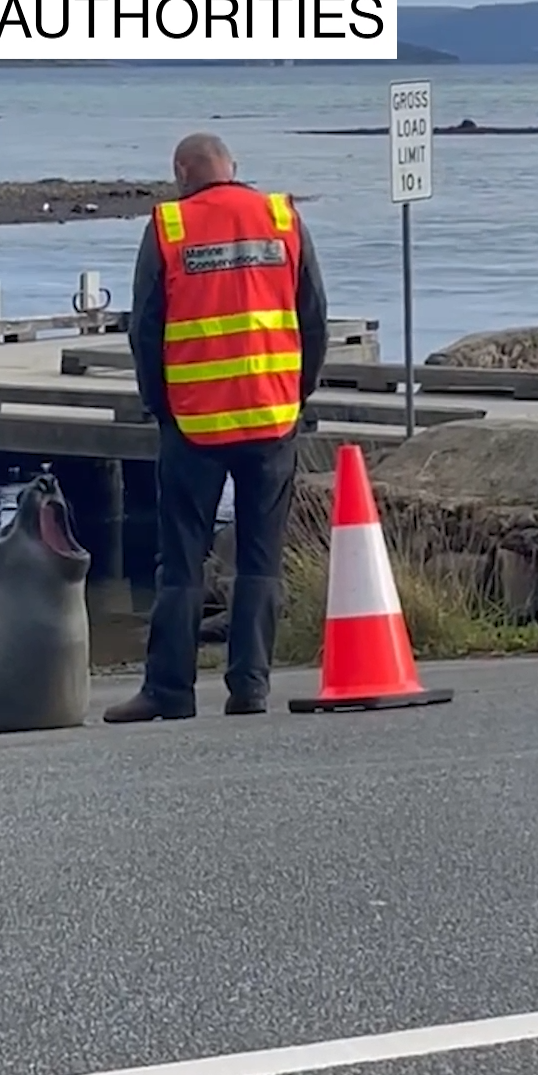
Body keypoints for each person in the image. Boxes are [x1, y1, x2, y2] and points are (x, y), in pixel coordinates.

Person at [104, 132, 329, 723]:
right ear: (234, 167)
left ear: (182, 172)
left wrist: (159, 405)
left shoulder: (169, 228)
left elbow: (145, 329)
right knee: (260, 560)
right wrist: (296, 393)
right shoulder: (282, 218)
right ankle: (249, 688)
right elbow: (314, 318)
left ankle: (169, 691)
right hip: (272, 417)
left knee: (180, 560)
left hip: (196, 422)